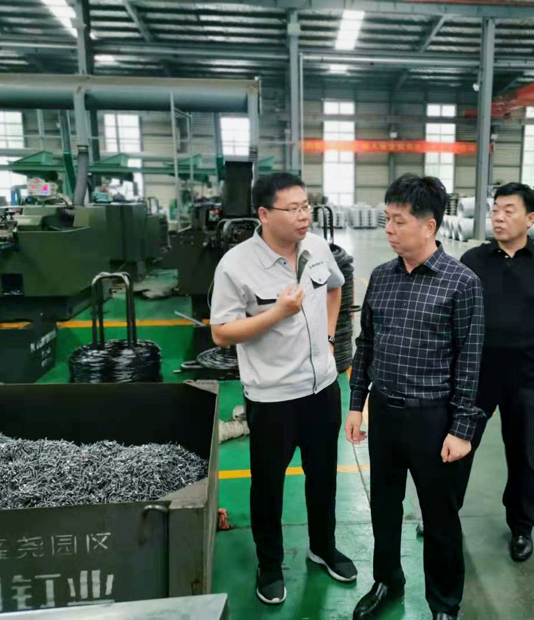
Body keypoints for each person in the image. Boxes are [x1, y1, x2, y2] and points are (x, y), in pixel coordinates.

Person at [210, 172, 356, 606]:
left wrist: (328, 338)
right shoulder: (236, 265)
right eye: (292, 209)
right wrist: (278, 313)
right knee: (268, 486)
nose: (303, 216)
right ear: (264, 214)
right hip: (273, 397)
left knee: (323, 476)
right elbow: (221, 332)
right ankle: (270, 565)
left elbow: (336, 289)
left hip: (322, 388)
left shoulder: (317, 248)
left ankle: (323, 547)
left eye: (306, 206)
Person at [345, 174, 484, 620]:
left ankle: (444, 602)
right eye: (386, 219)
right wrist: (356, 404)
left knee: (439, 517)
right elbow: (366, 344)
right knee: (384, 506)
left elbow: (470, 361)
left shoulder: (461, 283)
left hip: (433, 419)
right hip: (385, 413)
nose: (388, 229)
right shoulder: (382, 277)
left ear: (429, 226)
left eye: (399, 221)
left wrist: (461, 429)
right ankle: (387, 580)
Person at [459, 182, 534, 562]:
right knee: (460, 444)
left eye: (509, 210)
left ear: (530, 218)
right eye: (496, 209)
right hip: (477, 373)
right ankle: (443, 511)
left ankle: (522, 526)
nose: (499, 217)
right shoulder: (473, 260)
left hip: (524, 374)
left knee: (521, 448)